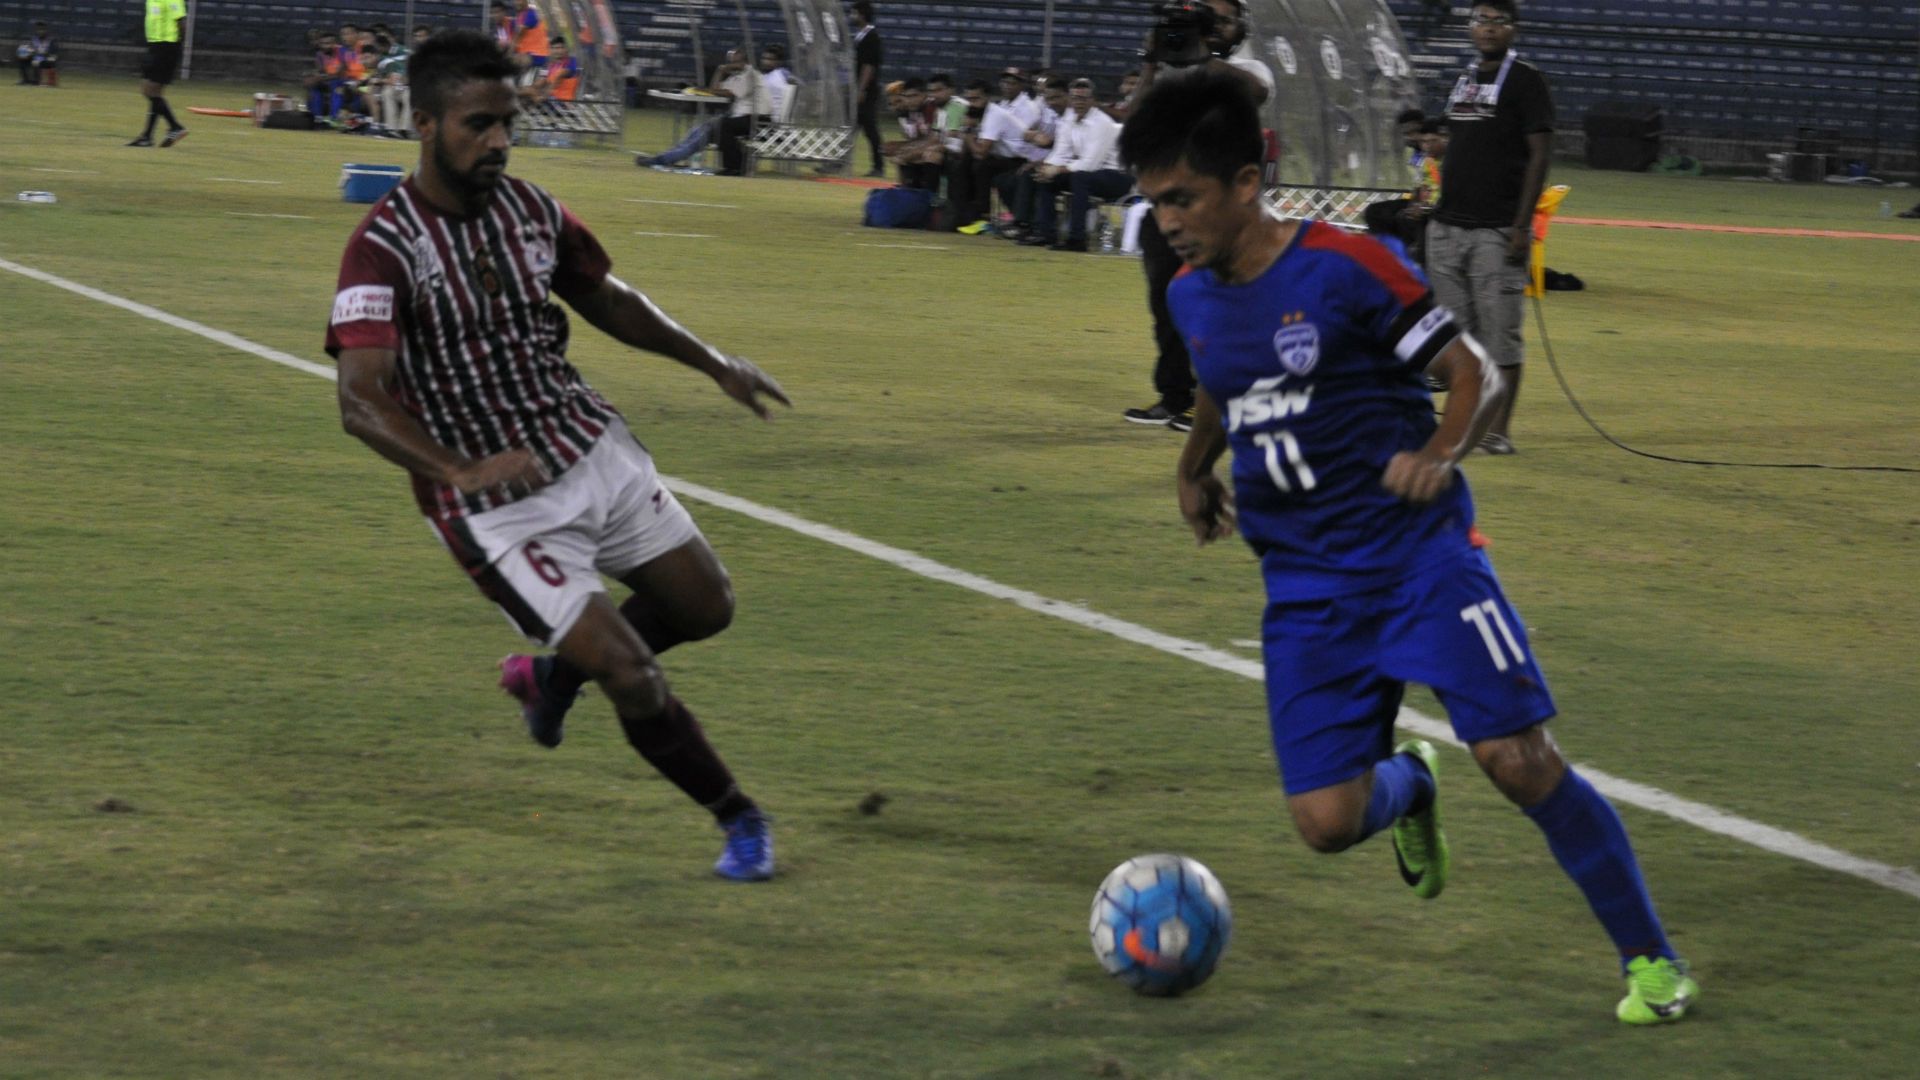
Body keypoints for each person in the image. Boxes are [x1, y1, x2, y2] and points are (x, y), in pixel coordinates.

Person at [1120, 67, 1698, 1026]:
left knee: (1516, 758)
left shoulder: (1348, 267)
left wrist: (1438, 452)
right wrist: (1194, 466)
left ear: (1245, 184)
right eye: (1154, 202)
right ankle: (1410, 783)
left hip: (1417, 562)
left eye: (1181, 198)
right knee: (1326, 824)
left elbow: (1468, 372)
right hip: (1304, 589)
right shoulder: (1191, 296)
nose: (1167, 220)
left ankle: (1653, 963)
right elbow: (1223, 380)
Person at [326, 30, 791, 882]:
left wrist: (713, 362)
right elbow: (361, 399)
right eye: (478, 124)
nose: (499, 140)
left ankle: (552, 679)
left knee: (708, 608)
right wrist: (461, 470)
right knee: (633, 671)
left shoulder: (533, 210)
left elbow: (605, 296)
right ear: (424, 124)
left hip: (588, 446)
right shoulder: (383, 245)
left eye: (508, 121)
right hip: (495, 510)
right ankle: (740, 818)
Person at [1117, 0, 1273, 433]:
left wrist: (1203, 58)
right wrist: (1151, 63)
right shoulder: (1173, 70)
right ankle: (1174, 398)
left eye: (1223, 19)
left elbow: (1255, 94)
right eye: (1209, 20)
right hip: (1168, 206)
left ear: (1240, 26)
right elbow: (1134, 121)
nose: (1215, 27)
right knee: (1167, 306)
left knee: (1221, 306)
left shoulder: (1250, 67)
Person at [1428, 0, 1553, 455]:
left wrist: (1523, 225)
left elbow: (1539, 154)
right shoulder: (1464, 77)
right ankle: (1464, 424)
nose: (1488, 28)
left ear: (1514, 29)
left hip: (1497, 229)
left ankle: (1498, 433)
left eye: (1498, 21)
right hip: (1447, 225)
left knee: (1500, 334)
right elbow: (1462, 140)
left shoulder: (1527, 81)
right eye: (1481, 20)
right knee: (1455, 339)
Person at [1024, 79, 1130, 252]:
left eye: (1084, 98)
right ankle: (1045, 233)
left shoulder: (1101, 123)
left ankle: (1077, 239)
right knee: (1046, 178)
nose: (1079, 102)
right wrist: (1048, 168)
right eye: (1075, 98)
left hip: (1116, 177)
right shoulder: (1068, 120)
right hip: (1087, 174)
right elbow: (1060, 152)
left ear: (1093, 100)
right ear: (1070, 99)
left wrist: (1057, 169)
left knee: (1079, 177)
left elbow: (1089, 164)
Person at [129, 0, 188, 148]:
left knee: (150, 90)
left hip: (167, 47)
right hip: (156, 46)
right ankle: (149, 136)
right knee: (153, 92)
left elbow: (182, 22)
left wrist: (176, 48)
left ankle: (173, 127)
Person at [849, 1, 885, 177]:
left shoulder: (871, 37)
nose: (851, 17)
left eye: (854, 13)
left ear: (862, 14)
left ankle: (879, 166)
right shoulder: (862, 35)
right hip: (862, 90)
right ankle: (837, 162)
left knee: (870, 130)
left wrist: (861, 90)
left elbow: (868, 66)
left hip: (866, 91)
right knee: (851, 128)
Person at [17, 20, 56, 86]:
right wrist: (27, 53)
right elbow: (31, 49)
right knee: (22, 60)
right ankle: (25, 80)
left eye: (42, 29)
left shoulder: (51, 40)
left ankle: (36, 82)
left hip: (46, 60)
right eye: (38, 29)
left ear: (46, 30)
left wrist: (42, 56)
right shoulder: (33, 39)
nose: (40, 31)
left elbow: (52, 54)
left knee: (36, 62)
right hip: (35, 58)